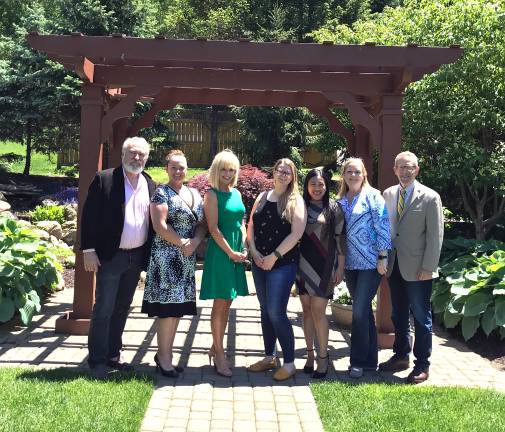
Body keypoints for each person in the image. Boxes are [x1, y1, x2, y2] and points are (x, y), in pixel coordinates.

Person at [81, 136, 156, 379]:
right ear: (123, 155)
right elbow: (89, 216)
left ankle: (114, 354)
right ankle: (97, 360)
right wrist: (88, 250)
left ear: (146, 157)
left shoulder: (149, 183)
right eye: (132, 153)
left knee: (122, 307)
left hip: (136, 257)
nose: (137, 158)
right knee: (104, 308)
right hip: (111, 257)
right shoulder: (105, 179)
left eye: (141, 154)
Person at [380, 151, 443, 384]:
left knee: (421, 317)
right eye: (401, 167)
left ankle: (422, 364)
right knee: (398, 313)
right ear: (394, 169)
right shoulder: (387, 194)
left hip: (419, 268)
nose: (405, 171)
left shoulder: (430, 197)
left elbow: (435, 236)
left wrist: (429, 266)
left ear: (417, 170)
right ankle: (400, 355)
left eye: (410, 167)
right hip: (393, 265)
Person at [142, 149, 206, 378]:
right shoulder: (161, 194)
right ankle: (164, 358)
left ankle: (165, 355)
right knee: (167, 311)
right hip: (166, 260)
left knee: (177, 311)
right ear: (167, 169)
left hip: (186, 260)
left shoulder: (195, 194)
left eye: (182, 167)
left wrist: (196, 241)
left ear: (187, 169)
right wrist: (182, 244)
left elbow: (202, 224)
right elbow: (159, 226)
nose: (178, 171)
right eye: (174, 167)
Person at [246, 158, 307, 381]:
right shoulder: (263, 197)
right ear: (274, 172)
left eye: (287, 172)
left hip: (282, 264)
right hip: (259, 261)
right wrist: (252, 249)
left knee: (276, 312)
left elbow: (296, 233)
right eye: (280, 170)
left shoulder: (295, 200)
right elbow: (250, 224)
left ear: (292, 176)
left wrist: (274, 256)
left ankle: (289, 363)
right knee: (264, 309)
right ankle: (269, 356)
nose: (282, 174)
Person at [337, 157, 391, 379]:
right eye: (349, 171)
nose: (353, 175)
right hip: (350, 265)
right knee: (365, 311)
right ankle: (370, 361)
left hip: (371, 264)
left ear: (364, 174)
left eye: (357, 171)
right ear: (344, 175)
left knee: (358, 312)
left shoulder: (373, 196)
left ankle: (357, 361)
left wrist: (382, 256)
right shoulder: (340, 200)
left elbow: (383, 225)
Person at [200, 150, 249, 377]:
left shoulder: (236, 193)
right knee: (220, 304)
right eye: (223, 169)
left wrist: (245, 246)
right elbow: (213, 229)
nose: (228, 174)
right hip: (222, 254)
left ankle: (215, 347)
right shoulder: (211, 195)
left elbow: (240, 221)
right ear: (216, 170)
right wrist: (231, 252)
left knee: (228, 302)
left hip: (236, 253)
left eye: (231, 169)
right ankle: (219, 355)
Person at [296, 168, 346, 379]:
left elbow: (340, 240)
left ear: (326, 186)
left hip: (325, 266)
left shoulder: (334, 208)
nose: (317, 188)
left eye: (321, 184)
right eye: (313, 184)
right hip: (302, 265)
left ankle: (323, 358)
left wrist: (340, 267)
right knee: (306, 311)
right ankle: (309, 356)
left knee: (318, 311)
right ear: (306, 186)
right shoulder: (299, 206)